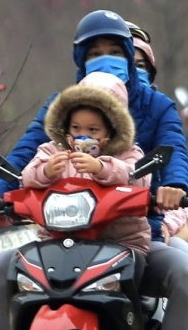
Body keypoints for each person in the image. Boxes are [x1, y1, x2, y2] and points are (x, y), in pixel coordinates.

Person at [0, 9, 188, 330]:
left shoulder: (156, 107)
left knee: (187, 272)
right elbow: (26, 154)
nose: (106, 59)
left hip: (136, 231)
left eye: (114, 51)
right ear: (80, 60)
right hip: (63, 230)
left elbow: (173, 156)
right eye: (94, 52)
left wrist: (171, 190)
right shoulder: (63, 107)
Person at [127, 18, 188, 330]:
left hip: (150, 229)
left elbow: (179, 174)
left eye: (138, 60)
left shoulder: (160, 111)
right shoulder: (77, 109)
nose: (126, 65)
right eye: (103, 54)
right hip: (84, 228)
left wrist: (166, 220)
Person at [23, 72, 151, 254]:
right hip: (57, 241)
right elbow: (27, 178)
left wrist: (102, 168)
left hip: (119, 242)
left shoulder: (128, 153)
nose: (82, 136)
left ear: (111, 130)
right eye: (76, 128)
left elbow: (139, 178)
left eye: (93, 130)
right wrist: (46, 171)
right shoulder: (53, 150)